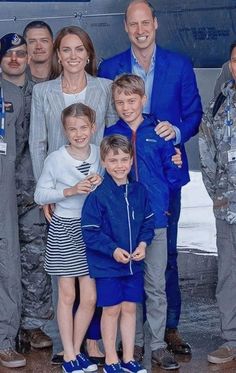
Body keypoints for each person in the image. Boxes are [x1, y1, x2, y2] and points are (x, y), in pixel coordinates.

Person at [98, 0, 202, 358]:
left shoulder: (179, 64)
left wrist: (174, 135)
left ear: (155, 24)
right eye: (133, 24)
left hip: (161, 184)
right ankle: (115, 340)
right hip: (121, 192)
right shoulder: (110, 67)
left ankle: (165, 332)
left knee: (164, 259)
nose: (140, 30)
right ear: (125, 27)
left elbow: (193, 114)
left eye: (146, 23)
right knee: (120, 267)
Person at [29, 25, 117, 363]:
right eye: (66, 50)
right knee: (64, 278)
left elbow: (110, 138)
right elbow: (38, 143)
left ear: (89, 53)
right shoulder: (43, 92)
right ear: (57, 55)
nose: (73, 56)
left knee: (94, 273)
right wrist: (48, 193)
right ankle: (65, 345)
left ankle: (91, 340)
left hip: (95, 196)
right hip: (61, 196)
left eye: (79, 49)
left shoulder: (105, 88)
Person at [105, 74, 182, 370]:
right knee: (129, 284)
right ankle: (133, 341)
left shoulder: (158, 131)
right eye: (120, 101)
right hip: (124, 224)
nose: (126, 106)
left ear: (143, 99)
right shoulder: (112, 133)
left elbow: (172, 175)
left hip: (156, 222)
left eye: (131, 100)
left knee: (155, 285)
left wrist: (175, 166)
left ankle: (158, 344)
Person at [34, 102, 102, 373]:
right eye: (72, 129)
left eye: (83, 127)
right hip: (65, 229)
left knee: (89, 297)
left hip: (92, 230)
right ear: (64, 131)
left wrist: (101, 183)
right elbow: (40, 195)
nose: (78, 133)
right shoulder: (56, 159)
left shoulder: (99, 153)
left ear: (93, 128)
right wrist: (69, 191)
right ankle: (70, 355)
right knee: (66, 294)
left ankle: (74, 350)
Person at [82, 134, 154, 373]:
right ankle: (111, 358)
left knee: (130, 308)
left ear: (132, 160)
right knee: (111, 309)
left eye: (124, 159)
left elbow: (148, 224)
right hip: (108, 266)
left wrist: (143, 245)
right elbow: (90, 233)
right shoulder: (97, 195)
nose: (120, 165)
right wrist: (112, 250)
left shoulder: (139, 191)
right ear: (103, 162)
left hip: (133, 265)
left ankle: (129, 359)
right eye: (113, 160)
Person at [0, 32, 53, 352]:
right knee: (6, 261)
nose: (16, 58)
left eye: (21, 53)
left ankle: (32, 324)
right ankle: (8, 324)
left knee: (36, 258)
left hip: (35, 192)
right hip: (5, 192)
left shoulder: (44, 93)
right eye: (10, 54)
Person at [199, 40, 236, 365]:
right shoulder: (221, 101)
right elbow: (206, 149)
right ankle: (231, 339)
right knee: (228, 275)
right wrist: (218, 194)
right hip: (229, 210)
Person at [0, 76, 25, 368]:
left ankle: (5, 340)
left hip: (4, 192)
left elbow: (17, 146)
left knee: (8, 266)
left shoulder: (12, 95)